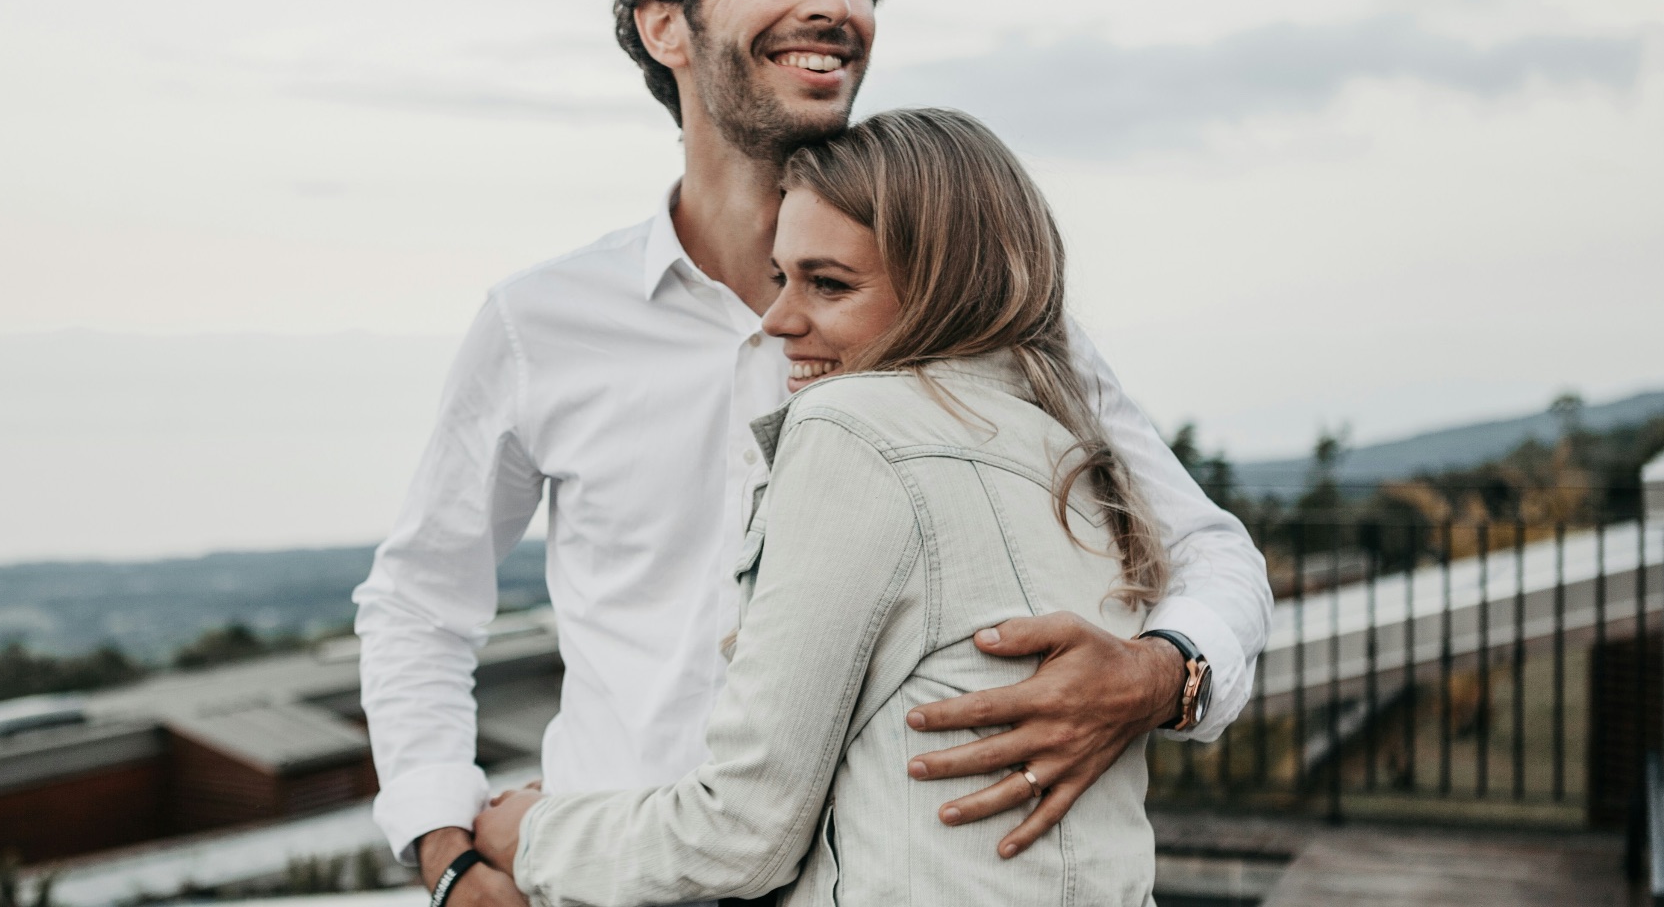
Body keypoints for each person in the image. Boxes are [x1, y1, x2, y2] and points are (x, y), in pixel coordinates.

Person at [351, 0, 1272, 907]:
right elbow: (420, 599)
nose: (834, 0)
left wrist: (1161, 674)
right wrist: (443, 847)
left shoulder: (980, 309)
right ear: (665, 25)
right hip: (604, 876)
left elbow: (1208, 549)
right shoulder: (540, 322)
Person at [469, 108, 1172, 906]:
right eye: (782, 278)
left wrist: (526, 834)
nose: (778, 322)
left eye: (828, 284)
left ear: (944, 283)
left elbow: (740, 834)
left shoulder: (852, 429)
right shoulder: (1073, 447)